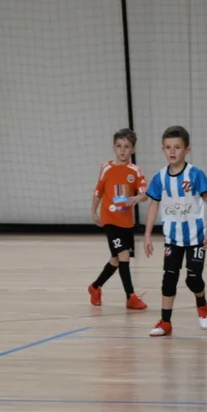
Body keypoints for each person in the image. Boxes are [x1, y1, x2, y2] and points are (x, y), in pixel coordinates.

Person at [143, 125, 207, 337]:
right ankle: (165, 322)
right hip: (172, 237)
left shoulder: (195, 174)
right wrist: (147, 235)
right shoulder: (159, 177)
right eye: (168, 147)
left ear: (187, 150)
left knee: (193, 279)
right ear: (163, 149)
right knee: (169, 278)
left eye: (177, 147)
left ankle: (201, 303)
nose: (172, 151)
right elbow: (154, 205)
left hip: (196, 236)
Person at [88, 128, 148, 310]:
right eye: (119, 146)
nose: (122, 150)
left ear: (133, 150)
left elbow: (144, 194)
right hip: (110, 219)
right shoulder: (106, 168)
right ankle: (130, 297)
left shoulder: (135, 171)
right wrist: (94, 211)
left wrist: (136, 198)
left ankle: (95, 287)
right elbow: (98, 191)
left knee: (115, 260)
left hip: (126, 222)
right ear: (114, 147)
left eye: (127, 146)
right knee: (123, 255)